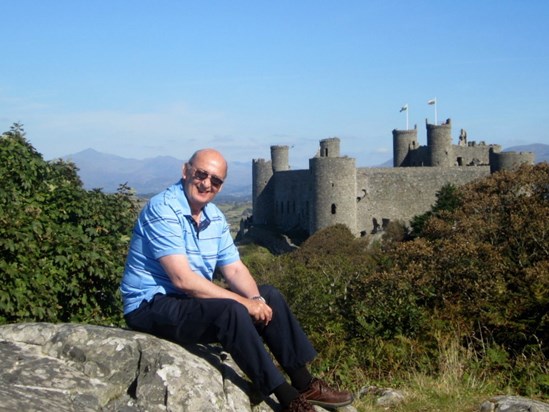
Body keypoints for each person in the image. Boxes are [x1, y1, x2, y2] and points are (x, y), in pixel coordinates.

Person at [120, 148, 353, 412]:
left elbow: (235, 270)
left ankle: (304, 382)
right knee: (230, 310)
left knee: (270, 296)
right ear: (186, 171)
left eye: (216, 180)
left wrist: (256, 301)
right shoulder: (163, 209)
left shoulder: (215, 218)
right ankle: (287, 398)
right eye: (201, 174)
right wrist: (244, 304)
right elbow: (182, 279)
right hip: (149, 306)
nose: (207, 183)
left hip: (185, 303)